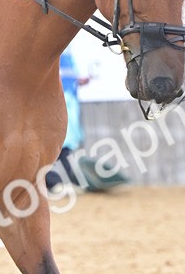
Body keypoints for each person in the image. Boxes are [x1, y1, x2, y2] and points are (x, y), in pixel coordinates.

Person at [45, 49, 130, 194]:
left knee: (63, 146)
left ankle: (60, 182)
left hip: (67, 99)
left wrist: (77, 80)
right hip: (54, 101)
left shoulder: (67, 52)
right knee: (52, 146)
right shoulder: (54, 48)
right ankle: (54, 182)